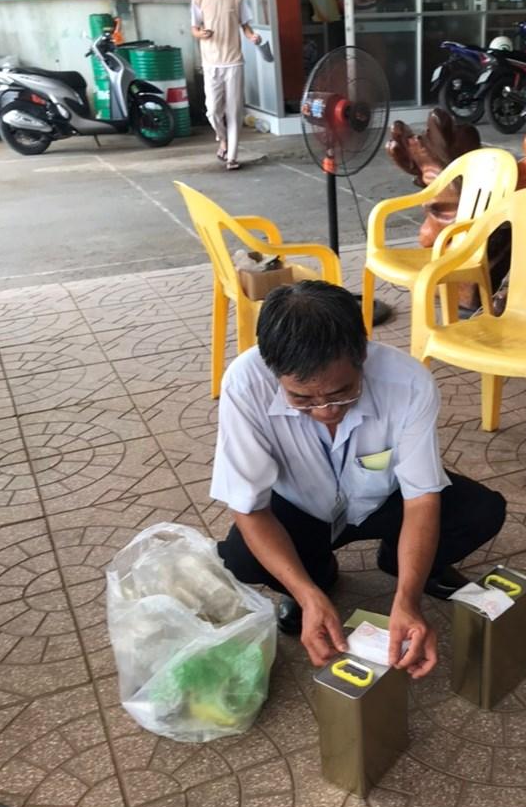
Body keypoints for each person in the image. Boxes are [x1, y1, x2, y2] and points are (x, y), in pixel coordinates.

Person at [211, 280, 506, 679]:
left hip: (382, 501)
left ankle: (399, 562)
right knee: (242, 558)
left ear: (362, 354)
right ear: (273, 368)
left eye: (341, 393)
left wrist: (408, 599)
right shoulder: (245, 385)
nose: (324, 412)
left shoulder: (409, 384)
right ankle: (317, 578)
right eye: (301, 399)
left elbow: (421, 499)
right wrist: (307, 594)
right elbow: (250, 507)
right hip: (300, 507)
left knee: (481, 511)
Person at [190, 0, 261, 170]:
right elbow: (194, 29)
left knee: (234, 111)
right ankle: (223, 139)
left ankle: (232, 157)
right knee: (213, 110)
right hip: (211, 62)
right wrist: (201, 34)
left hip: (234, 62)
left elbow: (245, 25)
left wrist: (252, 36)